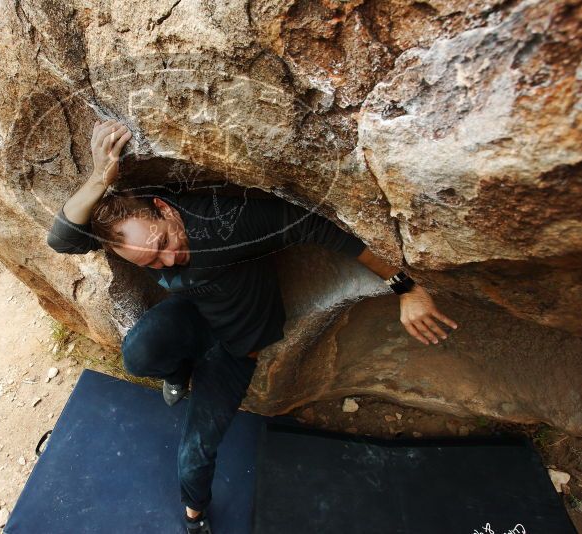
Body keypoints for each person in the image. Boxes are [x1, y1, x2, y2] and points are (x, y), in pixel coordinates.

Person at [48, 120, 458, 533]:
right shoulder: (133, 238)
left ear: (165, 210)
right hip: (193, 315)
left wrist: (405, 287)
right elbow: (61, 239)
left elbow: (324, 229)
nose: (166, 261)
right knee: (137, 355)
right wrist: (100, 178)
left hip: (236, 347)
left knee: (196, 452)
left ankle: (195, 518)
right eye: (150, 263)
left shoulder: (227, 224)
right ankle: (176, 375)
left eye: (163, 245)